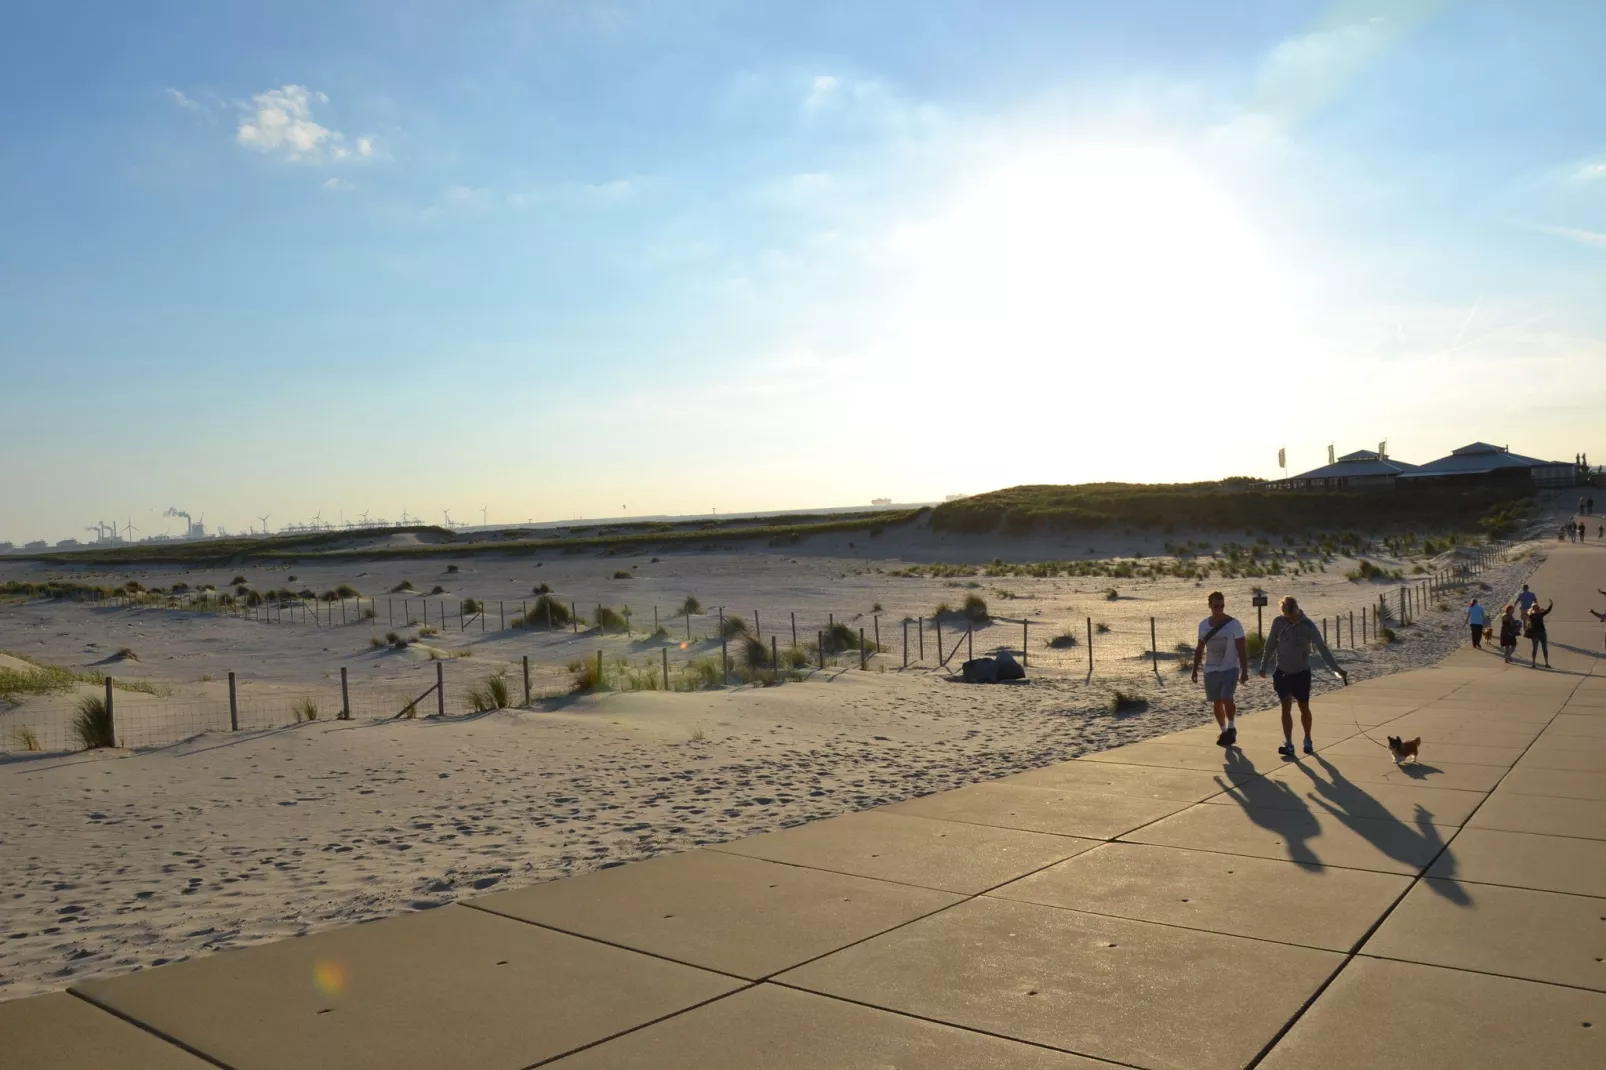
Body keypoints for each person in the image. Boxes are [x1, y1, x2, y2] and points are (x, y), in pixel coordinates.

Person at [1259, 595, 1346, 758]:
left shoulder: (1308, 626)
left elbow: (1322, 648)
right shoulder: (1278, 623)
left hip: (1301, 672)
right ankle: (1289, 743)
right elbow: (1270, 644)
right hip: (1282, 671)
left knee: (1303, 707)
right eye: (1286, 616)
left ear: (1297, 611)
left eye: (1291, 616)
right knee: (1285, 705)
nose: (1289, 619)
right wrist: (1263, 665)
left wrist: (1337, 669)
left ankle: (1307, 738)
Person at [1191, 591, 1249, 748]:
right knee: (1217, 702)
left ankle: (1231, 727)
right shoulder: (1203, 625)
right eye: (1216, 606)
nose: (1219, 609)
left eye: (1222, 606)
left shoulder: (1234, 624)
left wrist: (1244, 670)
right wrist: (1195, 669)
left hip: (1230, 667)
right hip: (1211, 669)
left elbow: (1242, 648)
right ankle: (1224, 731)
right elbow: (1200, 648)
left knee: (1227, 697)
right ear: (1210, 606)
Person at [1525, 599, 1554, 668]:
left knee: (1537, 648)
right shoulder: (1539, 614)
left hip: (1536, 633)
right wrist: (1551, 604)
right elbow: (1547, 610)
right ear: (1534, 609)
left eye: (1538, 607)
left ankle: (1535, 663)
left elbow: (1527, 613)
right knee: (1541, 648)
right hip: (1541, 633)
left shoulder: (1531, 615)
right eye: (1537, 608)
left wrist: (1531, 610)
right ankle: (1544, 663)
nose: (1538, 608)